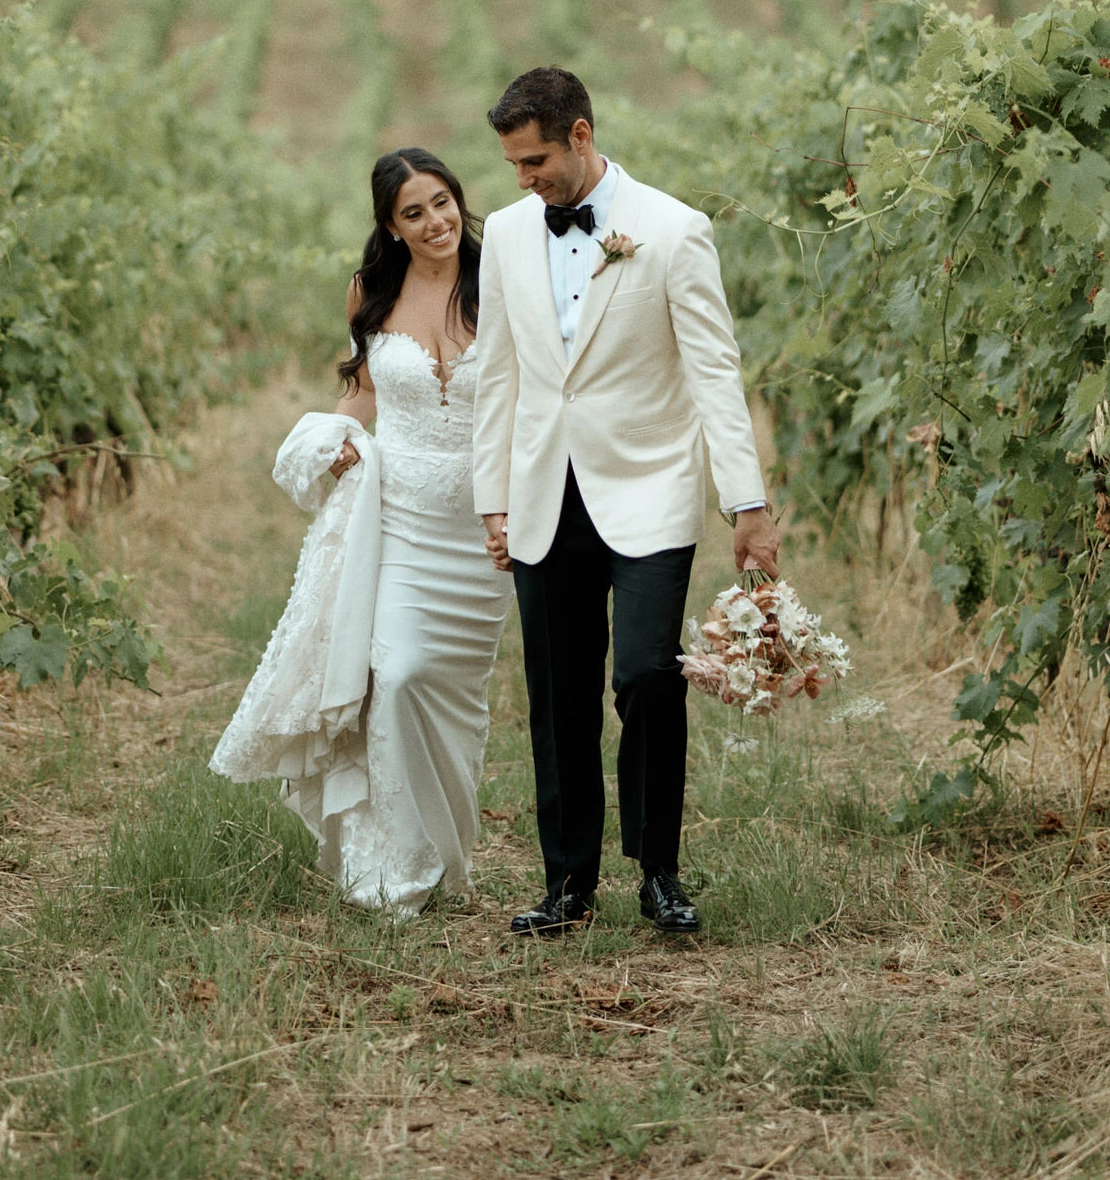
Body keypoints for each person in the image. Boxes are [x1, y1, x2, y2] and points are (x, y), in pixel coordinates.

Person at [471, 66, 780, 938]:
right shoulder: (502, 234)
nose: (522, 179)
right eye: (511, 165)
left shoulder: (674, 231)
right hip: (541, 490)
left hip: (648, 486)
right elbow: (498, 372)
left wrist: (746, 505)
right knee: (558, 693)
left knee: (646, 673)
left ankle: (658, 870)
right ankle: (567, 883)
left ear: (579, 134)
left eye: (534, 160)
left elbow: (716, 372)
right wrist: (490, 496)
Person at [211, 149, 511, 917]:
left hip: (485, 529)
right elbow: (365, 391)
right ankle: (393, 869)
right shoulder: (371, 292)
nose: (436, 221)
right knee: (399, 676)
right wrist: (339, 440)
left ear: (459, 200)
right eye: (415, 212)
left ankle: (447, 854)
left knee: (454, 700)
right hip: (402, 519)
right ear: (391, 225)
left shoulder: (502, 278)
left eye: (442, 202)